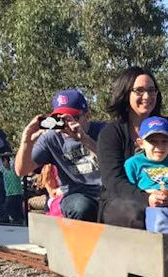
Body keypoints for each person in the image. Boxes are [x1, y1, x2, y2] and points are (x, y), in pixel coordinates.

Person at [97, 67, 168, 228]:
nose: (147, 96)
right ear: (125, 94)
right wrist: (147, 199)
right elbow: (113, 181)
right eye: (139, 90)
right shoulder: (110, 134)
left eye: (151, 90)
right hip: (123, 201)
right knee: (135, 212)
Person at [15, 89, 103, 221]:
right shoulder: (51, 138)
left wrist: (84, 139)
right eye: (60, 120)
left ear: (87, 116)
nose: (67, 124)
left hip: (107, 192)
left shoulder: (105, 131)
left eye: (74, 118)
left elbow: (114, 163)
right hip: (77, 195)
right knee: (81, 207)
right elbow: (21, 170)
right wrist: (26, 141)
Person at [123, 116, 168, 233]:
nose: (159, 146)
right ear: (141, 143)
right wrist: (149, 195)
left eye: (164, 141)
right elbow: (129, 190)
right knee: (159, 216)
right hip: (155, 204)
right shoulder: (133, 163)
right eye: (152, 141)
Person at [0, 156, 24, 223]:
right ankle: (18, 219)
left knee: (15, 207)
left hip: (17, 193)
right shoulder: (4, 170)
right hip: (9, 194)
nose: (3, 164)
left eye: (4, 161)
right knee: (8, 207)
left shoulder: (14, 169)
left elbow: (13, 162)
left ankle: (19, 219)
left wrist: (10, 156)